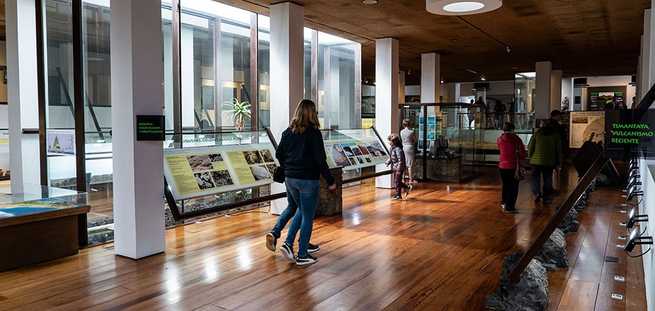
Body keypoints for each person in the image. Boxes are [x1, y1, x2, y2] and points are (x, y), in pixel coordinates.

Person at [265, 99, 336, 266]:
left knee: (298, 210)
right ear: (312, 113)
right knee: (307, 216)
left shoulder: (288, 132)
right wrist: (330, 180)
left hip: (290, 179)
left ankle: (290, 243)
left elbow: (279, 154)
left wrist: (290, 166)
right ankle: (302, 253)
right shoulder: (313, 133)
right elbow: (320, 160)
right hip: (308, 181)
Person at [528, 119, 562, 204]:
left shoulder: (537, 134)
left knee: (535, 178)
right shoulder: (555, 135)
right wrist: (559, 162)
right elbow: (559, 150)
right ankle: (546, 197)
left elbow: (530, 147)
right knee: (548, 178)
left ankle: (537, 193)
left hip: (535, 162)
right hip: (549, 161)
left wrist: (530, 157)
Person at [497, 122, 526, 213]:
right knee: (513, 187)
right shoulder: (516, 139)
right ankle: (510, 207)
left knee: (505, 185)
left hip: (502, 165)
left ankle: (504, 202)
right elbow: (522, 154)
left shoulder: (499, 139)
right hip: (513, 166)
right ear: (512, 129)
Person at [386, 134, 410, 200]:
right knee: (397, 181)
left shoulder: (398, 149)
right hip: (395, 167)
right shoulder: (392, 148)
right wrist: (388, 162)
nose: (389, 142)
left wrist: (399, 169)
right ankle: (406, 187)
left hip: (399, 167)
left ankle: (398, 195)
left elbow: (401, 160)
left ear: (393, 142)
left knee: (397, 181)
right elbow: (391, 157)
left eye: (389, 141)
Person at [400, 119, 417, 185]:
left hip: (403, 147)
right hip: (410, 147)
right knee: (410, 165)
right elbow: (415, 140)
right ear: (409, 124)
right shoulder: (411, 131)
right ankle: (410, 179)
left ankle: (403, 178)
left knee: (404, 164)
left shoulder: (401, 131)